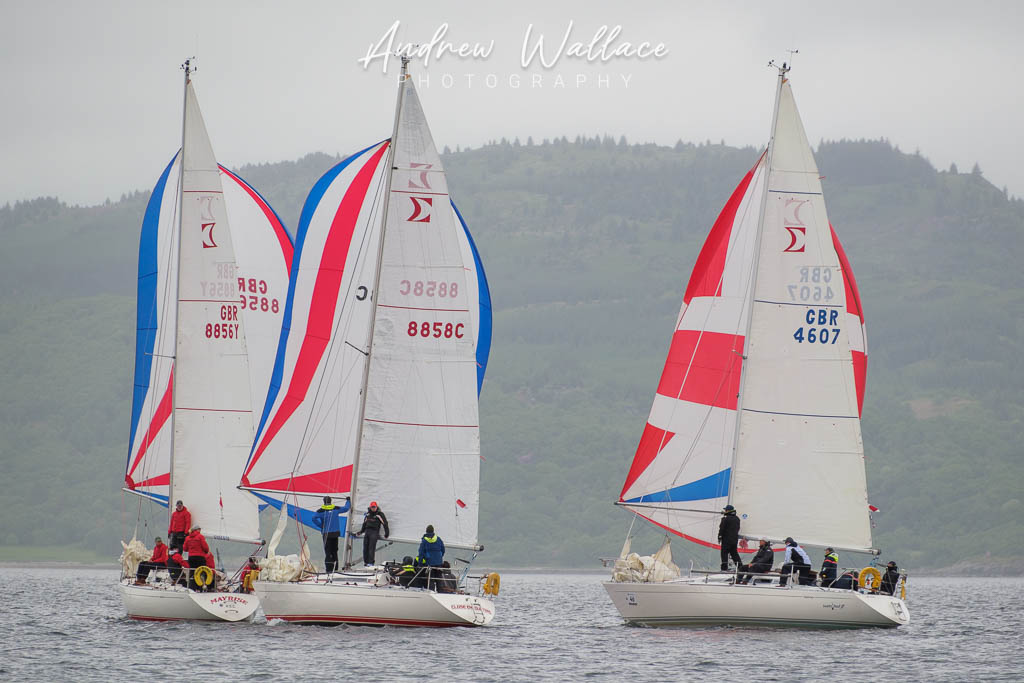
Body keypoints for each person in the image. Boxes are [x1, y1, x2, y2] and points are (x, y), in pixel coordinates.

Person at [312, 496, 349, 573]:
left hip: (326, 534)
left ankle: (329, 569)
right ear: (331, 501)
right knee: (334, 551)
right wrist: (348, 501)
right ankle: (335, 569)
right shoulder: (335, 509)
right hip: (335, 533)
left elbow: (314, 518)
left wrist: (321, 526)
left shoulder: (321, 511)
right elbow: (346, 508)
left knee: (328, 552)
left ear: (324, 502)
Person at [356, 501, 390, 567]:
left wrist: (387, 533)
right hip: (367, 531)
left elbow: (385, 523)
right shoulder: (368, 514)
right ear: (370, 507)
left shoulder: (380, 514)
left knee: (371, 548)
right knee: (365, 548)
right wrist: (361, 531)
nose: (373, 508)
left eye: (374, 507)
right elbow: (364, 524)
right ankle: (366, 562)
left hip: (374, 531)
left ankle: (371, 563)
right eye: (372, 507)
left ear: (376, 507)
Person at [182, 525, 210, 590]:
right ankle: (201, 588)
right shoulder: (200, 536)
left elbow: (185, 549)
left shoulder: (187, 538)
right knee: (202, 572)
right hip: (200, 557)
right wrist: (206, 552)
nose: (200, 531)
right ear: (196, 530)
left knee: (192, 573)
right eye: (199, 529)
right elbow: (205, 547)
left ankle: (192, 588)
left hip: (191, 557)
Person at [718, 504, 741, 571]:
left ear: (728, 510)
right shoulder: (737, 519)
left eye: (725, 510)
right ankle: (740, 567)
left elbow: (722, 528)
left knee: (724, 553)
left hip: (726, 540)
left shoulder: (725, 519)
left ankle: (724, 569)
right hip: (734, 540)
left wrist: (719, 537)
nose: (724, 511)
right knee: (734, 554)